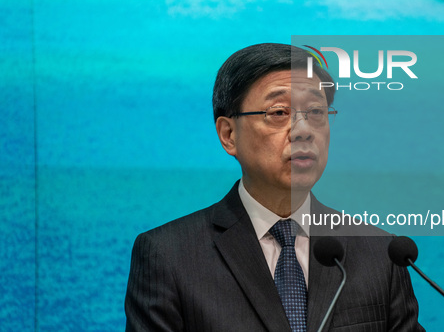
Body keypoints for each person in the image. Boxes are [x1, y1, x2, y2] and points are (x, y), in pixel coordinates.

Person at [124, 43, 424, 331]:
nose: (304, 130)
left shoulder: (381, 253)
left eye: (317, 113)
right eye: (279, 112)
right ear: (228, 134)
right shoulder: (169, 256)